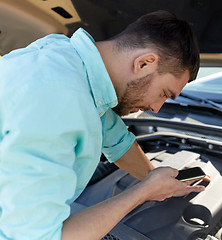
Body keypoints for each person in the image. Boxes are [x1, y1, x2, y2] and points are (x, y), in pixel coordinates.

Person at [0, 10, 203, 240]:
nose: (157, 108)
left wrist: (157, 179)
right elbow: (38, 237)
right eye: (164, 93)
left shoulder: (68, 60)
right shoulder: (56, 100)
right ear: (145, 63)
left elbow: (117, 140)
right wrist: (144, 191)